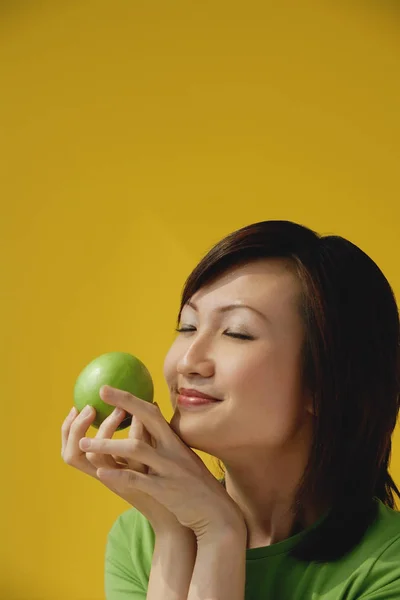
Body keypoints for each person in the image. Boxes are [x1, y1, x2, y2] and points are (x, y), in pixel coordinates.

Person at [62, 220, 400, 599]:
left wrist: (219, 534)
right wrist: (176, 534)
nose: (188, 360)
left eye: (237, 332)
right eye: (188, 326)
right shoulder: (140, 540)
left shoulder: (388, 569)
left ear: (324, 384)